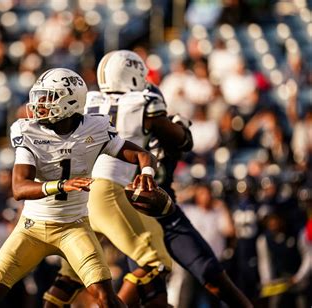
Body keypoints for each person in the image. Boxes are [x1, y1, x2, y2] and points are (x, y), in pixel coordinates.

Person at [44, 50, 252, 308]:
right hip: (133, 201)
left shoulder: (94, 106)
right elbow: (182, 139)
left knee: (78, 274)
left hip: (122, 198)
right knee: (156, 270)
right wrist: (179, 129)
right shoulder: (145, 107)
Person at [0, 68, 159, 308]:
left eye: (48, 97)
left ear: (71, 101)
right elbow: (19, 188)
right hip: (31, 229)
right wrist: (62, 185)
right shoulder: (28, 130)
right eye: (39, 96)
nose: (39, 104)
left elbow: (142, 155)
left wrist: (147, 173)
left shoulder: (96, 127)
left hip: (74, 227)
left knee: (106, 298)